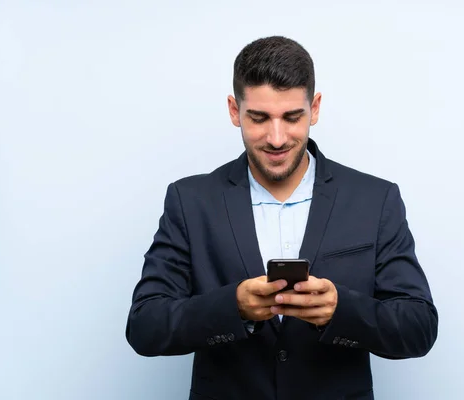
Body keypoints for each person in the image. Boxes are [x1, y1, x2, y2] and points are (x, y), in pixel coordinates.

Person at [125, 36, 438, 400]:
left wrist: (341, 310)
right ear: (233, 110)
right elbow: (145, 326)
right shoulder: (190, 201)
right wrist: (234, 308)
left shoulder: (376, 199)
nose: (276, 138)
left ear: (315, 108)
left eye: (292, 117)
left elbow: (419, 327)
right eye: (258, 118)